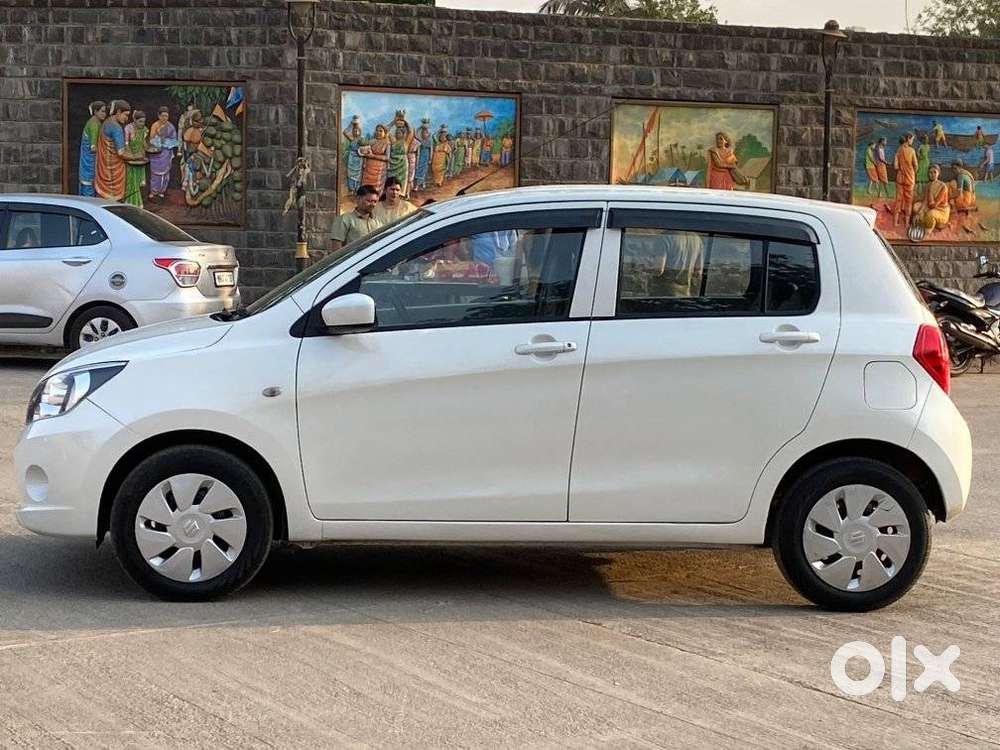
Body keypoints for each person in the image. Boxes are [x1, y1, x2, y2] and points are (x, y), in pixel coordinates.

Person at [95, 100, 132, 202]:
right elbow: (121, 153)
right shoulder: (116, 127)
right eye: (126, 115)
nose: (127, 118)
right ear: (118, 111)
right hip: (112, 167)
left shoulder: (107, 122)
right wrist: (138, 156)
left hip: (104, 165)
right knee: (112, 197)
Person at [329, 184, 382, 251]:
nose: (372, 204)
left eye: (374, 201)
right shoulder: (344, 219)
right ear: (358, 199)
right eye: (368, 201)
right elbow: (336, 247)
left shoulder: (377, 222)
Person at [147, 106, 177, 199]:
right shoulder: (155, 125)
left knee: (165, 174)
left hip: (166, 153)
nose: (164, 118)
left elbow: (174, 140)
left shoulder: (170, 126)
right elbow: (151, 139)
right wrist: (159, 141)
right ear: (158, 116)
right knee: (155, 174)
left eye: (166, 116)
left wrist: (166, 142)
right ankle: (153, 191)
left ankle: (162, 191)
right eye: (162, 116)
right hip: (156, 153)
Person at [78, 100, 106, 197]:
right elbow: (93, 147)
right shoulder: (94, 124)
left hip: (88, 160)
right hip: (90, 161)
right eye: (102, 111)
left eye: (105, 111)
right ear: (95, 112)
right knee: (89, 187)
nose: (104, 114)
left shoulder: (95, 122)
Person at [123, 110, 149, 207]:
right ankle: (132, 203)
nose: (142, 124)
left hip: (141, 158)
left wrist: (150, 149)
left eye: (143, 122)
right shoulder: (128, 128)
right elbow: (126, 145)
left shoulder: (144, 130)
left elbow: (144, 144)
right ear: (134, 120)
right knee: (132, 182)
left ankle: (138, 202)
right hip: (131, 159)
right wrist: (133, 157)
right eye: (140, 121)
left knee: (139, 183)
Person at [915, 164, 950, 235]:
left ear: (938, 173)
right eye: (930, 172)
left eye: (934, 172)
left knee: (930, 214)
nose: (932, 174)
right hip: (930, 207)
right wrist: (918, 213)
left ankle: (929, 227)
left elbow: (933, 205)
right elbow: (925, 201)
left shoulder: (943, 186)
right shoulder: (928, 185)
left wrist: (930, 190)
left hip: (941, 210)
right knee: (916, 207)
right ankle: (930, 222)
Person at [893, 132, 918, 227]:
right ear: (908, 138)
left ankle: (895, 222)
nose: (912, 141)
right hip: (909, 178)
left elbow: (895, 166)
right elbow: (916, 165)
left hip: (900, 178)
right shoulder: (911, 151)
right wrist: (912, 172)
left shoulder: (898, 150)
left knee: (898, 200)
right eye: (912, 139)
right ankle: (907, 223)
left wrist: (901, 167)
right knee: (908, 201)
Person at [360, 124, 391, 192]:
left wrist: (373, 156)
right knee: (366, 185)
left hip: (380, 168)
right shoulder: (371, 141)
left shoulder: (387, 143)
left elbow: (387, 158)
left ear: (384, 133)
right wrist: (365, 160)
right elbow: (366, 152)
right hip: (369, 167)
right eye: (377, 130)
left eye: (380, 131)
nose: (378, 132)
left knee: (377, 187)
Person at [343, 115, 364, 192]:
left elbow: (365, 149)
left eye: (357, 130)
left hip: (358, 158)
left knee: (358, 174)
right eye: (354, 130)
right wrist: (351, 124)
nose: (356, 132)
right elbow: (345, 132)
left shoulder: (361, 139)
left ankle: (357, 189)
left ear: (360, 131)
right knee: (350, 174)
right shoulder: (351, 139)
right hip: (351, 158)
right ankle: (351, 189)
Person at [413, 118, 432, 192]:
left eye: (426, 133)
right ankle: (417, 185)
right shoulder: (420, 140)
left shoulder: (429, 141)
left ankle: (422, 183)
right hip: (420, 156)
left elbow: (431, 150)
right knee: (418, 170)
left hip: (426, 157)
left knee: (424, 170)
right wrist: (420, 127)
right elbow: (416, 134)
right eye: (423, 133)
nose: (425, 134)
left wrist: (430, 158)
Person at [874, 137, 890, 206]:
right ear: (882, 141)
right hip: (880, 165)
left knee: (882, 180)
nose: (886, 142)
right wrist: (886, 162)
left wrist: (885, 162)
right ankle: (887, 194)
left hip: (881, 165)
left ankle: (880, 193)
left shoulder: (880, 148)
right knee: (884, 180)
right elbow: (880, 158)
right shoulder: (878, 148)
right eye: (885, 141)